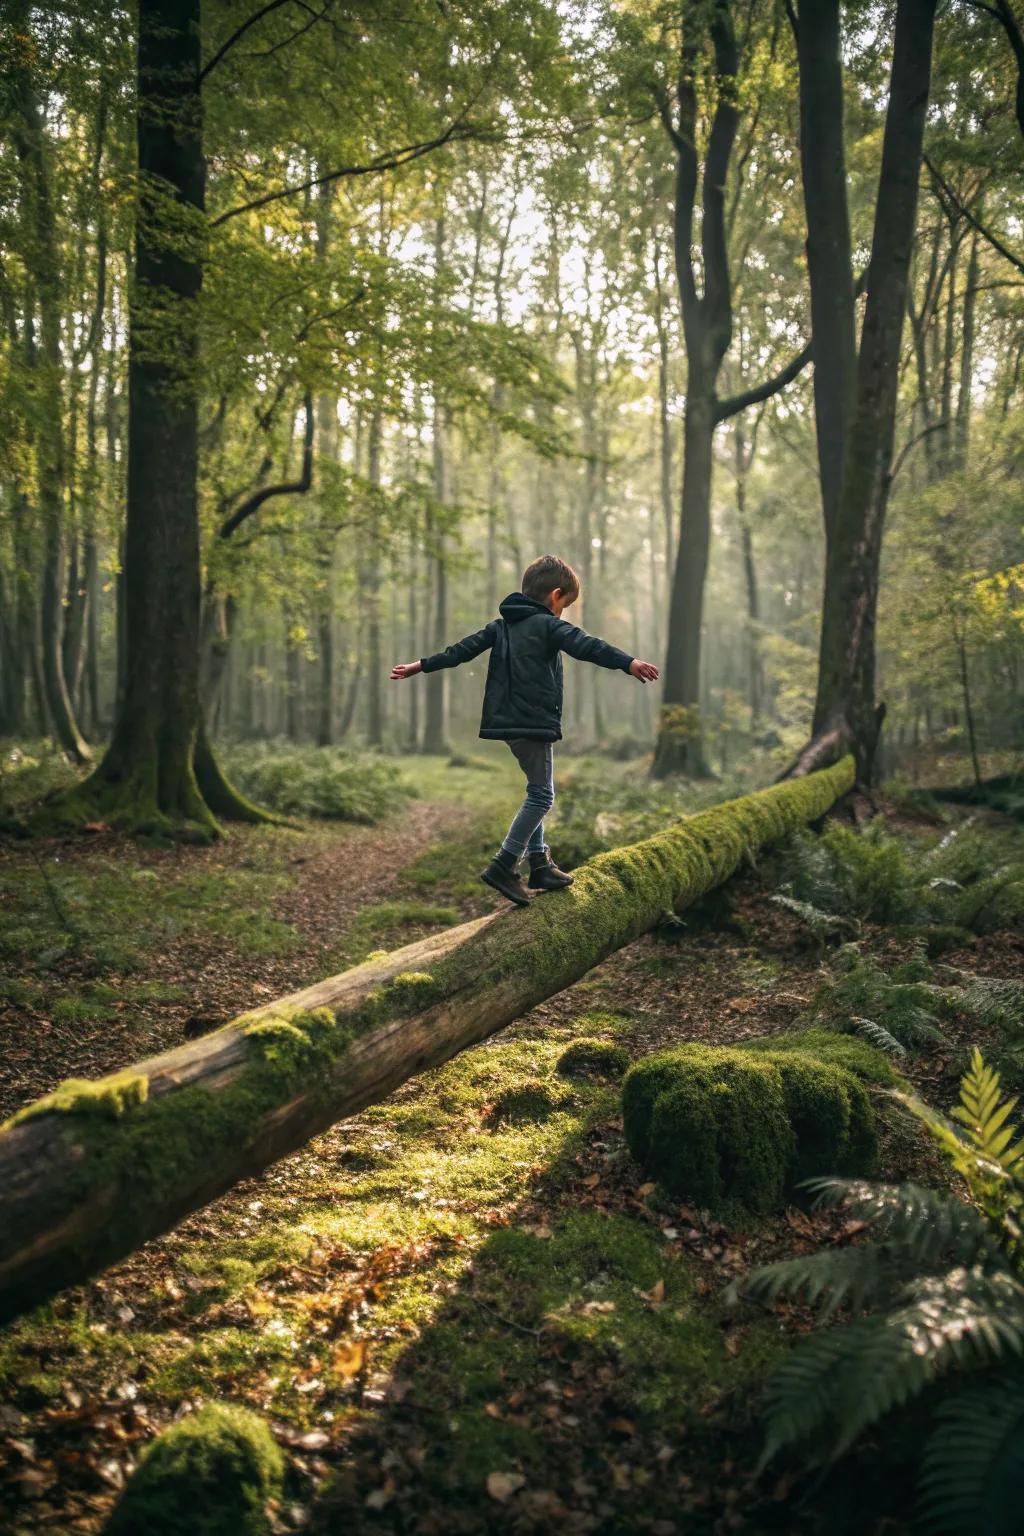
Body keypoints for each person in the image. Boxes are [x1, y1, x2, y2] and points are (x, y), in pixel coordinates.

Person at [389, 554, 659, 906]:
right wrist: (628, 662)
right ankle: (504, 863)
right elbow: (587, 645)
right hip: (533, 723)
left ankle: (540, 864)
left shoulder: (500, 626)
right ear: (555, 595)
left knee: (536, 790)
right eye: (566, 605)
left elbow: (460, 651)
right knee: (543, 797)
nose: (564, 613)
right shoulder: (549, 625)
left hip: (509, 724)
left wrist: (419, 666)